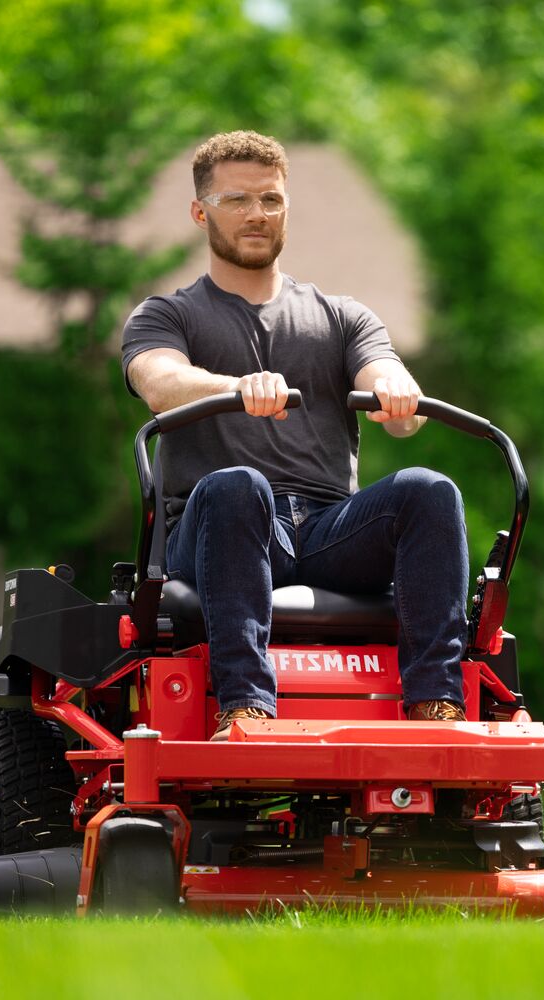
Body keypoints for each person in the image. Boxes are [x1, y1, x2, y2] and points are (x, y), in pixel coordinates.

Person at [121, 130, 468, 740]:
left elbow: (391, 385)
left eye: (272, 200)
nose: (257, 214)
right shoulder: (166, 315)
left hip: (326, 532)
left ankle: (435, 704)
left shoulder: (342, 316)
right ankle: (246, 708)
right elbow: (160, 383)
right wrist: (235, 386)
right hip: (217, 530)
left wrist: (396, 391)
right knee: (238, 486)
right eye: (237, 200)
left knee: (429, 489)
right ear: (201, 211)